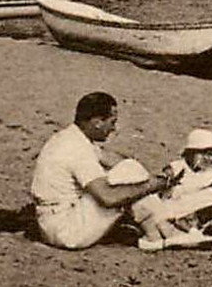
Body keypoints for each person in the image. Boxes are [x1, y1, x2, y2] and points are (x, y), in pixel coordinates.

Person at [30, 92, 175, 250]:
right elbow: (108, 198)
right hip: (68, 230)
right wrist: (153, 185)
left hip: (51, 223)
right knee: (130, 176)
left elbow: (116, 160)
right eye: (112, 122)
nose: (113, 129)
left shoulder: (71, 137)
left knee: (129, 169)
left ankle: (159, 229)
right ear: (98, 122)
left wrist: (158, 178)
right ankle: (163, 231)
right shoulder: (76, 148)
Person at [132, 128, 212, 251]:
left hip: (192, 209)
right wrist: (168, 182)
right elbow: (158, 184)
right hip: (171, 207)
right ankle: (186, 232)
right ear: (190, 152)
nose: (207, 158)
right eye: (203, 153)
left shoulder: (209, 173)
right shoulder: (177, 167)